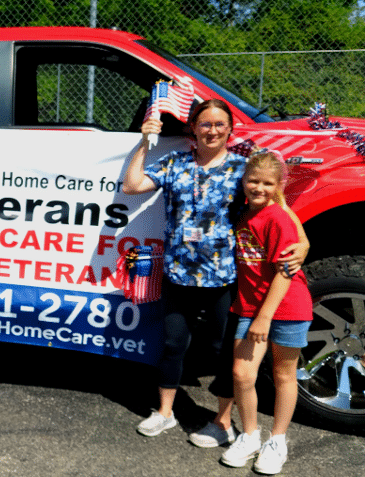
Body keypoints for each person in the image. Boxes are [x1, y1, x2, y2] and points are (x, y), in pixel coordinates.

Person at [122, 99, 308, 447]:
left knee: (223, 350)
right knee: (174, 343)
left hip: (224, 277)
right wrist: (143, 143)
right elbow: (132, 186)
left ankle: (222, 422)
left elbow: (278, 203)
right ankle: (165, 413)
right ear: (193, 127)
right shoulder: (175, 162)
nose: (212, 130)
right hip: (178, 275)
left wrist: (304, 242)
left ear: (230, 130)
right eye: (204, 123)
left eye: (219, 124)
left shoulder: (242, 170)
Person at [220, 150, 313, 474]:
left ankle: (277, 440)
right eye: (252, 181)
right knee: (242, 375)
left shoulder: (277, 217)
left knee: (283, 375)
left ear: (278, 185)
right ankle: (249, 436)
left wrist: (264, 317)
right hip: (249, 306)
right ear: (243, 181)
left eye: (266, 183)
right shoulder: (244, 212)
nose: (258, 187)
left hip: (286, 307)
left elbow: (285, 272)